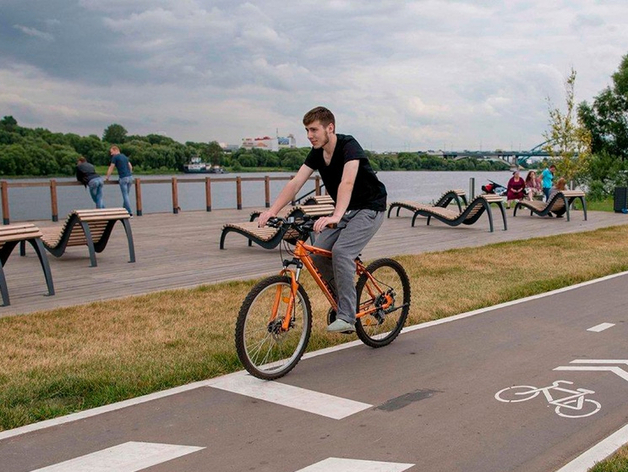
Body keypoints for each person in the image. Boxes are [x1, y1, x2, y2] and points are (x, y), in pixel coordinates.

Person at [257, 106, 387, 334]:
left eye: (314, 130)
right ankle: (344, 302)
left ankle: (347, 317)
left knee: (342, 252)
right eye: (307, 130)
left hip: (369, 208)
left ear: (330, 128)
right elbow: (296, 183)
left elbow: (346, 182)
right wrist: (272, 210)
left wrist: (335, 216)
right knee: (317, 253)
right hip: (346, 210)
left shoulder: (349, 146)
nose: (309, 135)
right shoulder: (317, 153)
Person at [106, 145, 134, 216]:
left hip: (123, 178)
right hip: (130, 177)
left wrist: (107, 177)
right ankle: (124, 210)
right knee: (127, 195)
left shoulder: (115, 157)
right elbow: (130, 166)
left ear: (116, 150)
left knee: (125, 195)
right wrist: (129, 173)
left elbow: (111, 168)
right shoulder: (124, 156)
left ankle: (129, 212)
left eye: (111, 152)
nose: (111, 154)